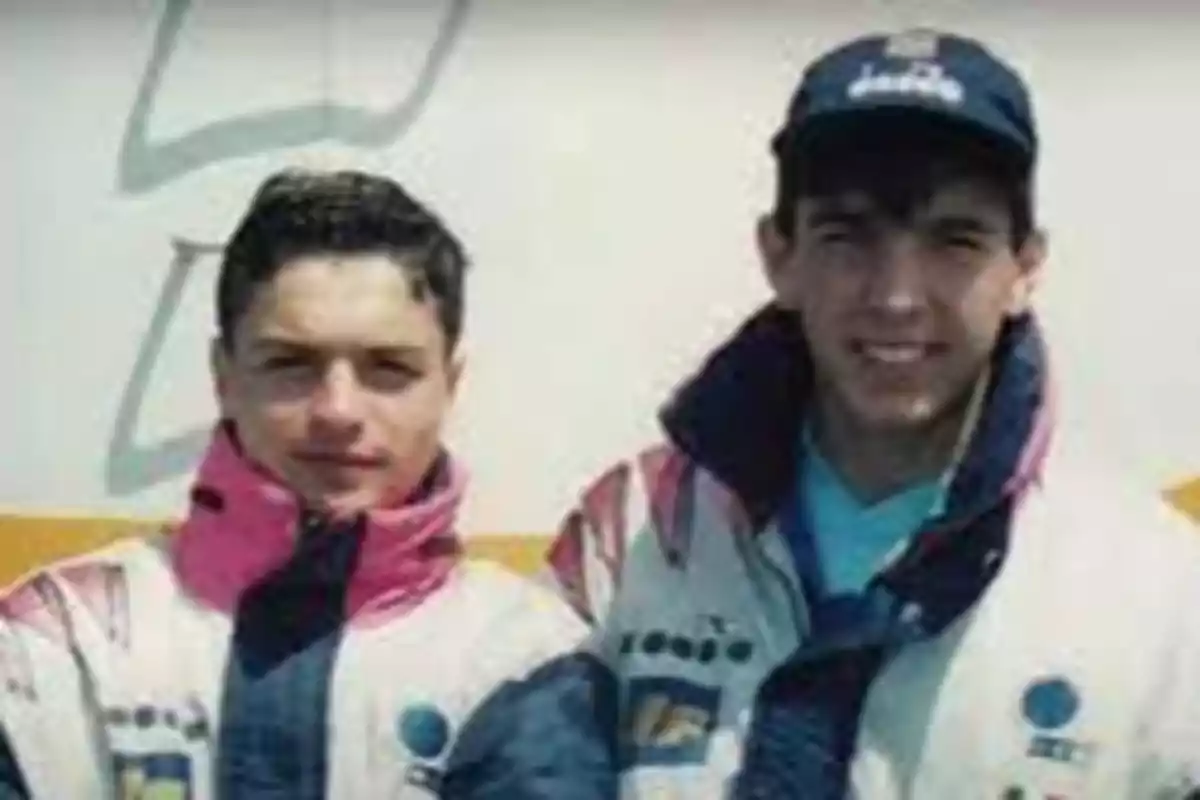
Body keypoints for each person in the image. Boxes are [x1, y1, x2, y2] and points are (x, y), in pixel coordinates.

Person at [543, 29, 1200, 798]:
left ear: (1025, 267)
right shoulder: (628, 536)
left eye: (954, 241)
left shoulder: (1161, 589)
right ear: (778, 255)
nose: (895, 297)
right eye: (847, 235)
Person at [0, 168, 594, 798]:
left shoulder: (526, 654)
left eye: (388, 368)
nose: (337, 410)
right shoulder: (54, 640)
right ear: (223, 376)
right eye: (290, 364)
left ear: (450, 383)